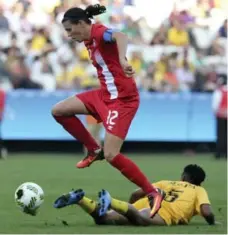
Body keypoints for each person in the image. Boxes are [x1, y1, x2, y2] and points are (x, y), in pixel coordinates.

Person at [51, 4, 163, 217]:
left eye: (69, 29)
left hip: (122, 99)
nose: (68, 35)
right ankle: (93, 149)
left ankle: (152, 192)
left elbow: (120, 36)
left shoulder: (100, 33)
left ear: (81, 24)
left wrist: (122, 59)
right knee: (59, 110)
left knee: (112, 154)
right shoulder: (87, 39)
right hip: (104, 95)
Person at [54, 164, 216, 226]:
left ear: (184, 177)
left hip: (141, 204)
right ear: (199, 182)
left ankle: (81, 199)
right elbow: (207, 212)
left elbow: (136, 193)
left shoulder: (167, 182)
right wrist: (212, 223)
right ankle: (111, 202)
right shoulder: (199, 191)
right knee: (140, 219)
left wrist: (127, 207)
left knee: (103, 219)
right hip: (163, 212)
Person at [212, 74, 227, 159]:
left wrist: (215, 112)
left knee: (220, 134)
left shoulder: (218, 91)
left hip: (221, 114)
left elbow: (215, 105)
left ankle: (219, 152)